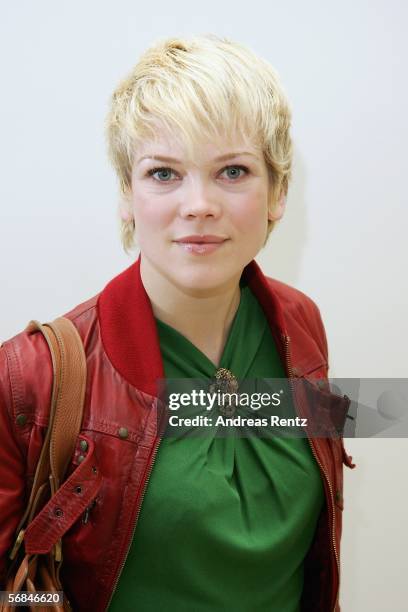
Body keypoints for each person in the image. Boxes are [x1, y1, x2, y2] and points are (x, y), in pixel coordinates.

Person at [0, 34, 356, 612]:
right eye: (164, 174)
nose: (198, 204)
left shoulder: (300, 323)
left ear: (279, 192)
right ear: (125, 194)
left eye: (233, 171)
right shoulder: (28, 376)